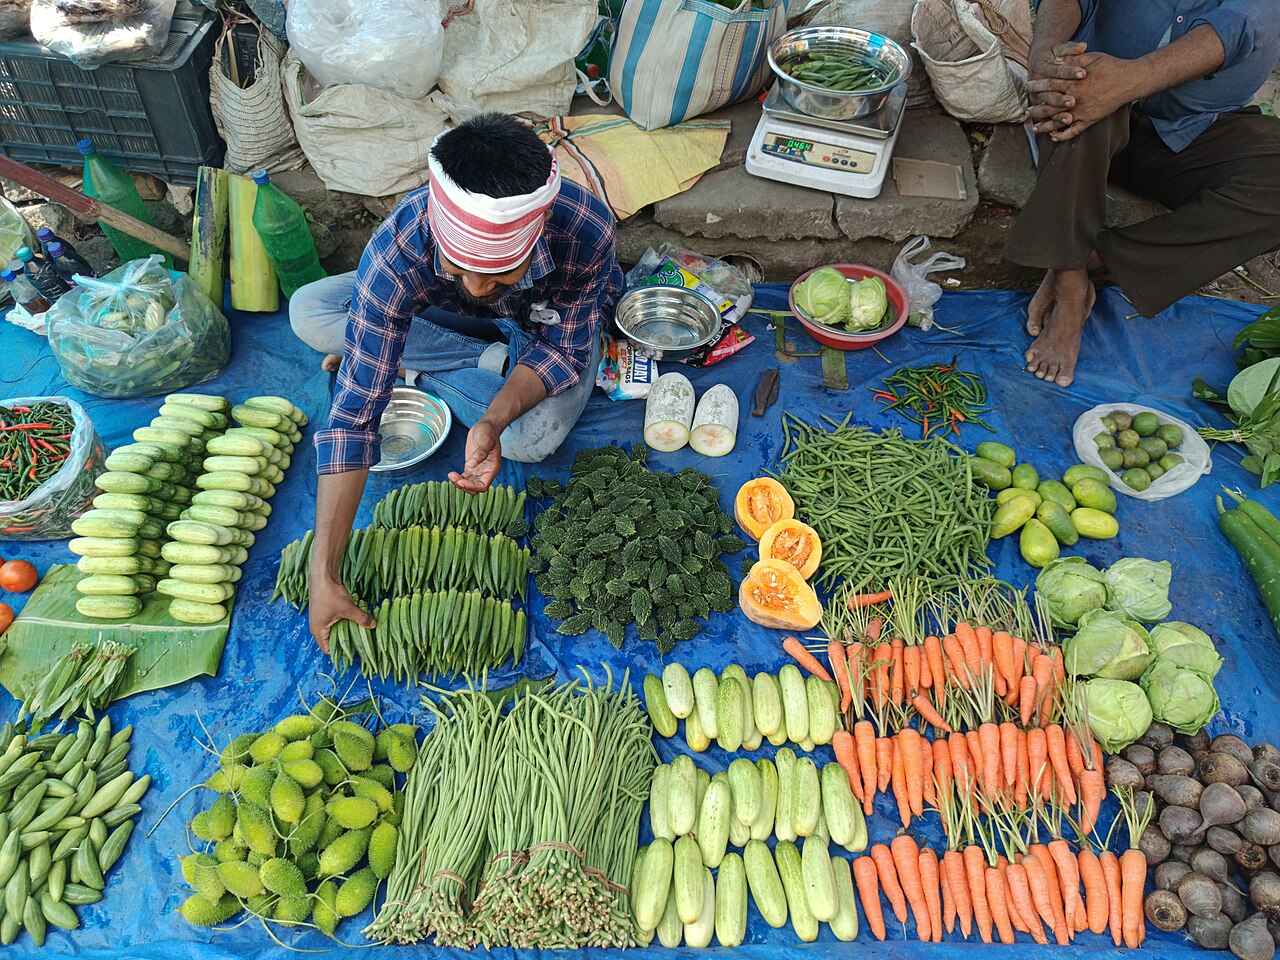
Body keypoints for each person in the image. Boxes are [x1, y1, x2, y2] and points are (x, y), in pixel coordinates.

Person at [290, 112, 623, 649]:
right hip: (444, 314)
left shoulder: (585, 228)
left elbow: (564, 349)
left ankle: (411, 363)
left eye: (498, 272)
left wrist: (492, 420)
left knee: (527, 439)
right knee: (310, 308)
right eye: (459, 265)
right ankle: (448, 358)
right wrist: (322, 571)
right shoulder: (399, 246)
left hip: (545, 328)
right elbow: (352, 420)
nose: (476, 284)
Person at [1005, 0, 1280, 387]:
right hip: (1091, 95)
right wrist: (1046, 52)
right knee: (1075, 95)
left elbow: (1236, 28)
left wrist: (1127, 81)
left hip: (1196, 125)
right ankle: (1069, 288)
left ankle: (1089, 259)